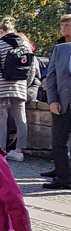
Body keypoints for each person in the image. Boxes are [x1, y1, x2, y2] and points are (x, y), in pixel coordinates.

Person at [0, 17, 33, 162]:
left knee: (1, 119)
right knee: (21, 119)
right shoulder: (25, 44)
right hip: (19, 86)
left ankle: (1, 150)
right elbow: (31, 67)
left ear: (0, 31)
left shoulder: (0, 44)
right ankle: (19, 151)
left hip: (0, 86)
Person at [43, 41, 71, 189]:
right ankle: (63, 178)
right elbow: (51, 76)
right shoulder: (60, 50)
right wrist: (52, 100)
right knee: (58, 142)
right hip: (62, 104)